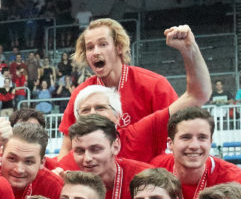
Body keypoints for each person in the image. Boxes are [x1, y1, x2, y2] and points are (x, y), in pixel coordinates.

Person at [56, 20, 180, 157]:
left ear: (119, 47)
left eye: (103, 44)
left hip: (148, 174)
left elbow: (182, 133)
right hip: (100, 176)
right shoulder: (82, 94)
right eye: (90, 48)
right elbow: (66, 149)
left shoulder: (155, 85)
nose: (96, 52)